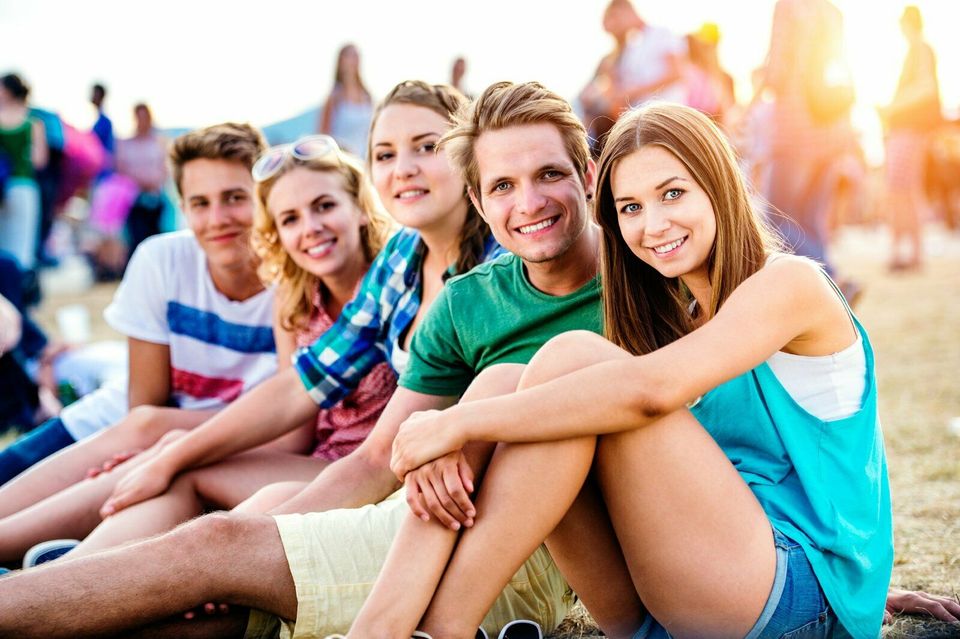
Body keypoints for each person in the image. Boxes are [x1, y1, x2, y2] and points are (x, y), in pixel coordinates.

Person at [387, 102, 893, 638]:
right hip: (675, 603)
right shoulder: (675, 318)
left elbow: (651, 392)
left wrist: (457, 424)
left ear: (718, 183)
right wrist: (454, 434)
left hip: (793, 593)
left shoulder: (791, 284)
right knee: (508, 381)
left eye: (673, 193)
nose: (653, 224)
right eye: (629, 207)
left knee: (571, 360)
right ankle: (400, 630)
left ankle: (441, 630)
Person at [6, 135, 398, 561]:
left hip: (351, 468)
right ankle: (62, 571)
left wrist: (170, 452)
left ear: (361, 207)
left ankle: (57, 576)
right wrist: (166, 451)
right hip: (299, 454)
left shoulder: (390, 285)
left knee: (175, 455)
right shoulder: (298, 296)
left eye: (325, 206)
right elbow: (151, 403)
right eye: (290, 219)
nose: (310, 227)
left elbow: (293, 427)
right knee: (162, 444)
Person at [0, 124, 278, 535]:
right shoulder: (162, 259)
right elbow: (145, 406)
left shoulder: (295, 280)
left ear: (266, 199)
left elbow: (289, 418)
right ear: (182, 206)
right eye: (199, 203)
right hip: (113, 428)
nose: (217, 219)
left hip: (217, 449)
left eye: (235, 198)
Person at [879, 5, 942, 271]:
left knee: (900, 188)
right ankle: (909, 252)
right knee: (904, 189)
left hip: (909, 129)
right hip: (908, 130)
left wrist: (893, 106)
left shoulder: (921, 50)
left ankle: (908, 252)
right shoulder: (916, 51)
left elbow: (926, 87)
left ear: (907, 24)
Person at [0, 73, 47, 272]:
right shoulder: (33, 122)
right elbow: (39, 161)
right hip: (24, 185)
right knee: (22, 244)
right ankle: (19, 294)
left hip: (2, 187)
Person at [116, 102, 169, 258]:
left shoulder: (159, 142)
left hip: (155, 198)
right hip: (134, 200)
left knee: (156, 238)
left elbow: (165, 169)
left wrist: (153, 182)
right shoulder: (126, 144)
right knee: (137, 239)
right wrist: (141, 181)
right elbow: (121, 169)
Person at [317, 44, 374, 158]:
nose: (354, 60)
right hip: (342, 159)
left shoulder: (367, 96)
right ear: (341, 61)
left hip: (365, 159)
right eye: (350, 56)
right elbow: (322, 135)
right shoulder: (335, 97)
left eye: (356, 56)